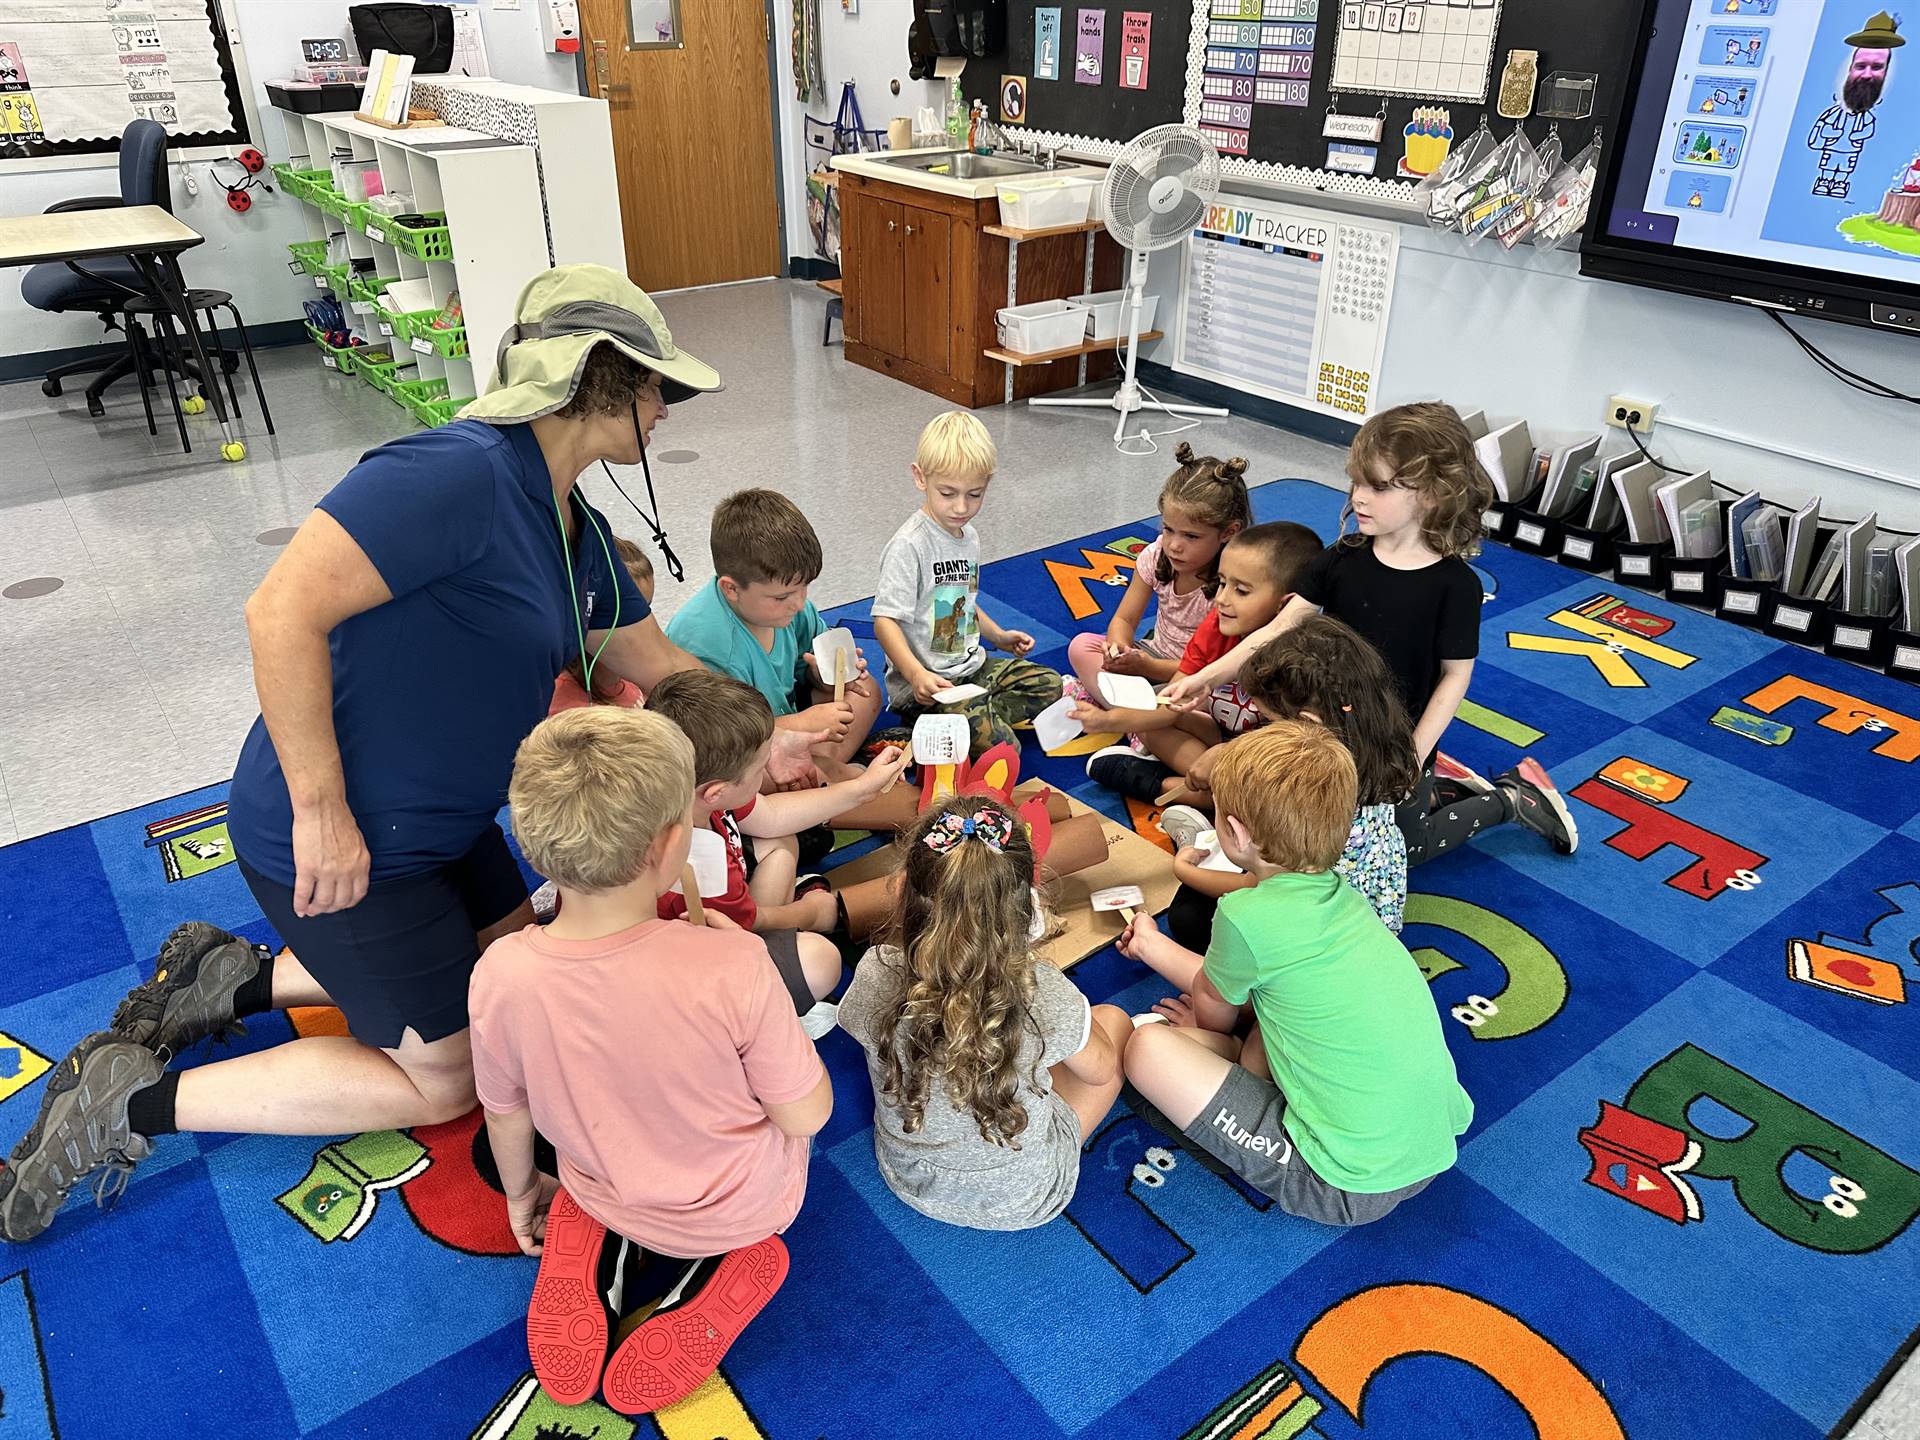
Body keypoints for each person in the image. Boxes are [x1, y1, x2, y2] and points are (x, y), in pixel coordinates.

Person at [0, 265, 824, 1244]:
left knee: (531, 977)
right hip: (346, 834)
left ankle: (233, 979)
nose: (666, 408)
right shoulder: (457, 473)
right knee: (452, 1082)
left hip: (443, 821)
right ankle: (126, 1104)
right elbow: (279, 612)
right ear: (597, 378)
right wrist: (321, 810)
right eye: (658, 385)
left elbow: (653, 662)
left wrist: (767, 737)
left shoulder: (577, 527)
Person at [473, 705, 829, 1414]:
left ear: (533, 849)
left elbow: (505, 1111)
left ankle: (600, 1238)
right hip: (744, 1207)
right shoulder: (734, 963)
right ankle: (712, 1268)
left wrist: (521, 1196)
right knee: (796, 1125)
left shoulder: (500, 972)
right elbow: (805, 1111)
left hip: (599, 1182)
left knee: (574, 1151)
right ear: (672, 849)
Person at [1165, 401, 1577, 862]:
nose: (1358, 496)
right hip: (1325, 727)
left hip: (1393, 744)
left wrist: (1414, 756)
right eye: (1357, 481)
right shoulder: (1344, 556)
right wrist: (1208, 677)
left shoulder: (1455, 585)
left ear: (1433, 494)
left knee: (1404, 849)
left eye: (1378, 487)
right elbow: (1281, 626)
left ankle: (1509, 799)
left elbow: (1455, 677)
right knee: (1310, 828)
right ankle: (1439, 787)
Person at [1119, 722, 1472, 1227]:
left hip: (1345, 1182)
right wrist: (1158, 950)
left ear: (1235, 833)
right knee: (1272, 1008)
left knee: (1143, 1048)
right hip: (1429, 1144)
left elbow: (1214, 1012)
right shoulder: (1346, 895)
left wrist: (1197, 1037)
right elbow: (1243, 987)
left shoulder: (1246, 914)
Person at [837, 796, 1130, 1230]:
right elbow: (1101, 1070)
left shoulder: (876, 970)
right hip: (1022, 1197)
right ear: (1029, 909)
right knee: (1115, 1023)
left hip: (910, 1177)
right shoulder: (1042, 994)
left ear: (901, 892)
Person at [645, 669, 909, 1017]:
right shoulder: (700, 869)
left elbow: (770, 816)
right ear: (716, 792)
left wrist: (861, 790)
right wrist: (815, 913)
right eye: (760, 769)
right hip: (692, 970)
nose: (767, 772)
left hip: (722, 915)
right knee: (821, 960)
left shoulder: (685, 789)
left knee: (780, 839)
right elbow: (743, 930)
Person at [1161, 615, 1419, 950]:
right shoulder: (1364, 738)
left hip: (1319, 931)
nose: (1261, 729)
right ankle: (1215, 839)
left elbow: (1263, 886)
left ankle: (1211, 843)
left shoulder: (1305, 791)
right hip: (1361, 902)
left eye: (1268, 721)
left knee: (1189, 916)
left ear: (1308, 722)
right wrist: (1226, 751)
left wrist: (1186, 872)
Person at [1077, 521, 1320, 804]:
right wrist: (1108, 720)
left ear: (1284, 605)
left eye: (1241, 591)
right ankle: (1213, 793)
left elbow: (1297, 749)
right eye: (1222, 583)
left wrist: (1225, 760)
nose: (1221, 599)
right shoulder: (1216, 627)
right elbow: (1170, 706)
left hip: (1265, 758)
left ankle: (1164, 786)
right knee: (1151, 723)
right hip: (1218, 736)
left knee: (1272, 797)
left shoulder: (1304, 658)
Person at [873, 411, 1062, 755]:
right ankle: (937, 723)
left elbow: (964, 600)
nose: (961, 507)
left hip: (972, 668)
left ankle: (971, 719)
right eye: (947, 493)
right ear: (920, 477)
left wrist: (999, 637)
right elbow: (885, 621)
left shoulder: (969, 537)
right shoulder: (909, 545)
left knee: (1049, 686)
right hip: (928, 687)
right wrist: (915, 675)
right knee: (1005, 750)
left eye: (974, 495)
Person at [666, 488, 881, 768]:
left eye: (804, 588)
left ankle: (823, 774)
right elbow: (724, 742)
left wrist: (822, 676)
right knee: (750, 771)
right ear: (731, 589)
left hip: (780, 716)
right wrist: (803, 723)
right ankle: (825, 776)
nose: (800, 603)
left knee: (866, 689)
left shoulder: (790, 607)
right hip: (737, 742)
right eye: (782, 597)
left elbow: (807, 674)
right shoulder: (709, 647)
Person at [1065, 443, 1252, 702]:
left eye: (1191, 536)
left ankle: (1126, 709)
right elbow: (1125, 620)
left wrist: (1146, 667)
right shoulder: (1156, 555)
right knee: (1081, 646)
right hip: (1152, 656)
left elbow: (1221, 667)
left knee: (1197, 702)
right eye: (1168, 529)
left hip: (1202, 677)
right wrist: (1117, 650)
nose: (1174, 545)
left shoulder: (1234, 585)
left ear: (1229, 532)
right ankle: (1136, 713)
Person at [552, 537, 656, 710]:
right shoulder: (568, 708)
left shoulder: (632, 673)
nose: (645, 624)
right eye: (629, 616)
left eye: (647, 609)